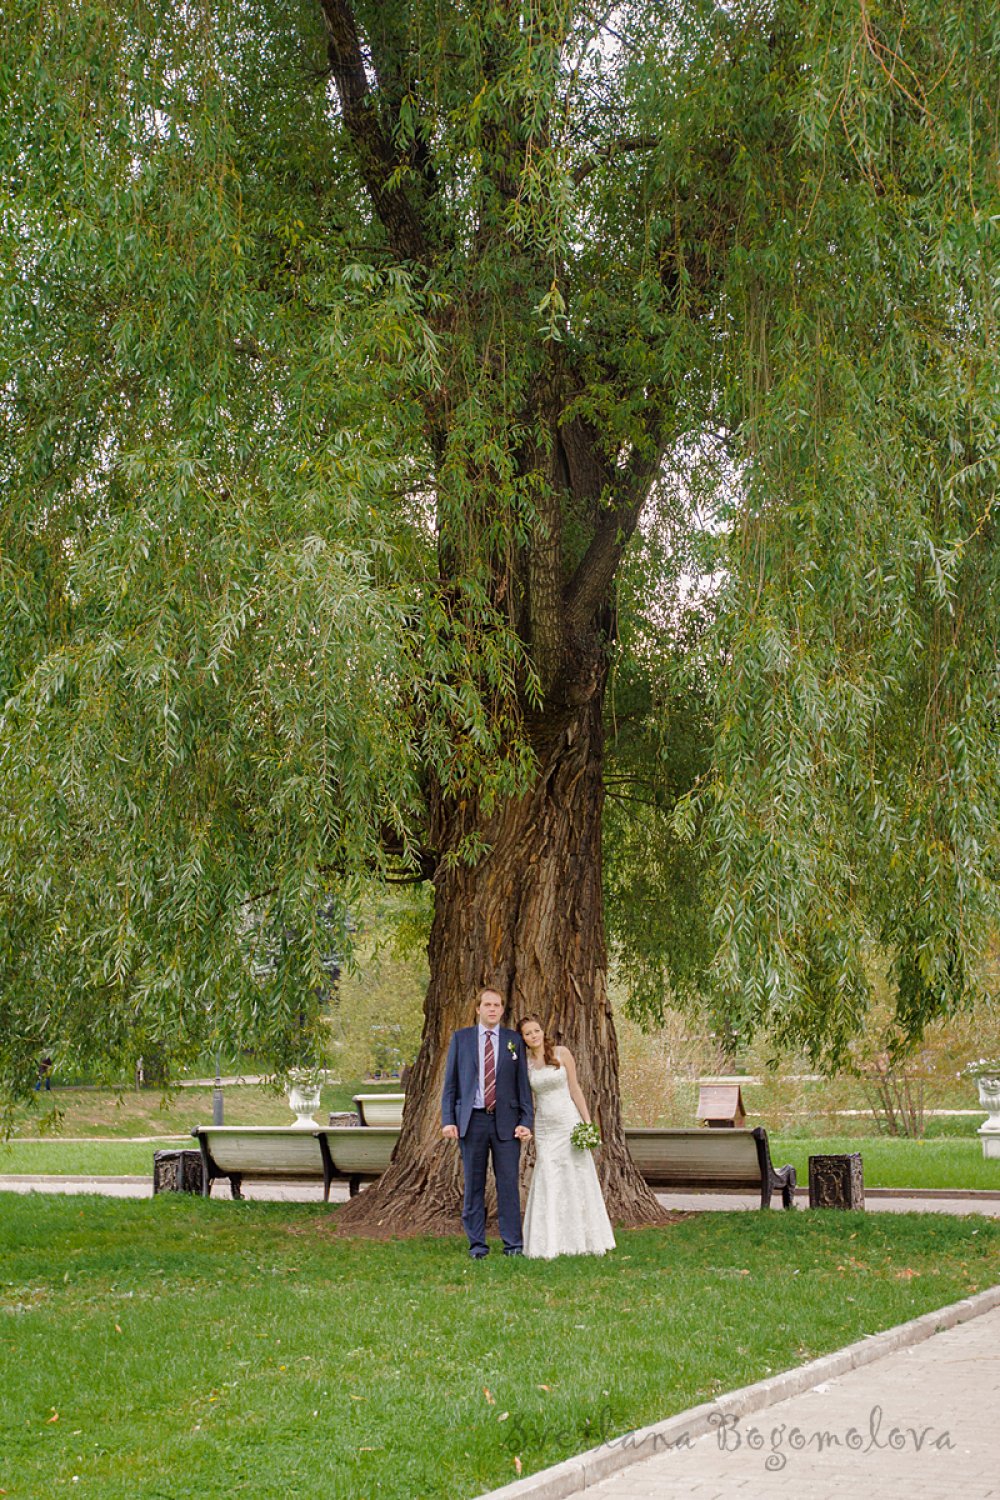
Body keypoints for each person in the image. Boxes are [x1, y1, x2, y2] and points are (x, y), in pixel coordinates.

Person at [441, 987, 534, 1258]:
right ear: (478, 1009)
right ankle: (477, 1245)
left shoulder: (513, 1040)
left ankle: (513, 1244)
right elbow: (451, 1084)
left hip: (506, 1123)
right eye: (487, 1004)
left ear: (502, 1010)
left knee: (508, 1185)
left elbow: (522, 1086)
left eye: (497, 1005)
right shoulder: (461, 1039)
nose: (492, 1009)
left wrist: (526, 1120)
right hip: (473, 1121)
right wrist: (448, 1120)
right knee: (474, 1184)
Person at [517, 1015, 615, 1260]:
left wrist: (587, 1122)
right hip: (546, 1126)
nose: (533, 1036)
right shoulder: (525, 1064)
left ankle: (585, 1238)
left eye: (536, 1030)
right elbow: (524, 1098)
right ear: (523, 1039)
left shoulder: (561, 1053)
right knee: (548, 1174)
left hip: (568, 1121)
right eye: (528, 1033)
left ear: (543, 1031)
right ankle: (549, 1239)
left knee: (576, 1173)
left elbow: (575, 1088)